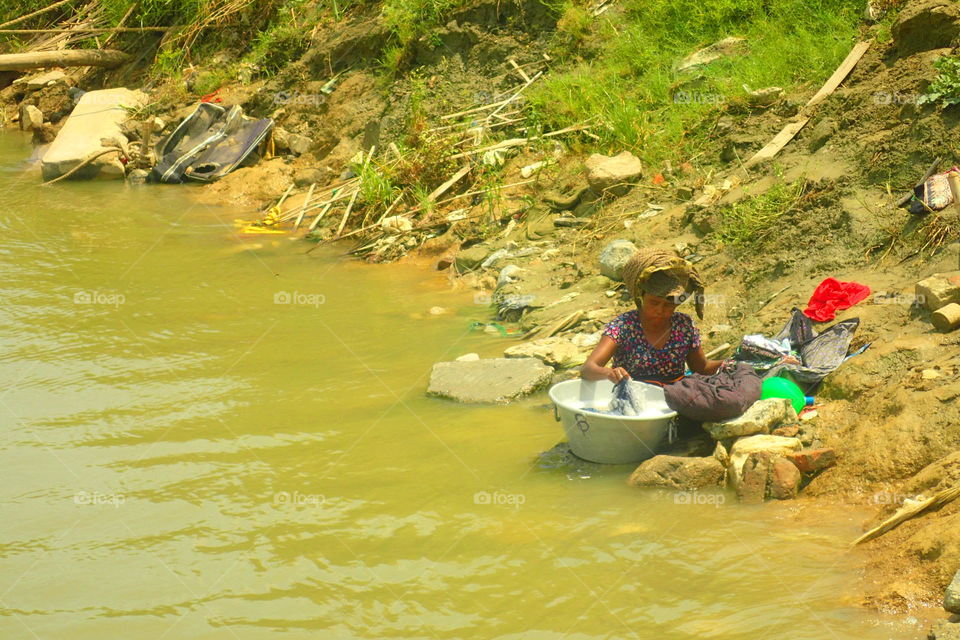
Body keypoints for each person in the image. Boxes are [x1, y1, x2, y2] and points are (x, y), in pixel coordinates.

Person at [581, 248, 724, 385]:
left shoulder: (684, 325)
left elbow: (701, 368)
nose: (660, 310)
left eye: (668, 304)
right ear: (641, 296)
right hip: (633, 399)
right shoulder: (623, 326)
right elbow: (588, 369)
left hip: (673, 401)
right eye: (654, 302)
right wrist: (609, 374)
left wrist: (731, 364)